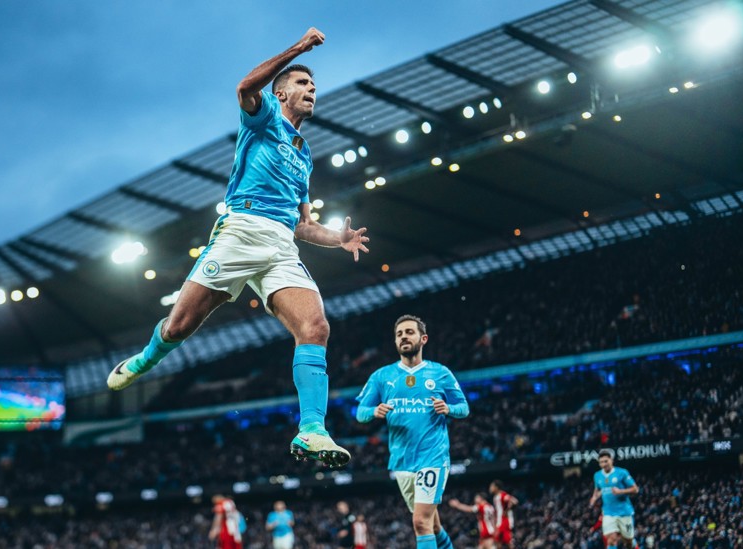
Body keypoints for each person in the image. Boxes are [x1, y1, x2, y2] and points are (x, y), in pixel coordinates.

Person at [106, 26, 369, 468]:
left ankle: (312, 431)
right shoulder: (264, 115)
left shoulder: (304, 155)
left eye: (314, 85)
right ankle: (149, 356)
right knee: (179, 328)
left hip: (282, 245)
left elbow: (304, 226)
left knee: (316, 328)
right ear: (282, 93)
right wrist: (298, 50)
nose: (312, 90)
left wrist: (337, 238)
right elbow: (245, 86)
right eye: (303, 84)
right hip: (241, 231)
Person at [355, 314, 470, 549]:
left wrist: (448, 408)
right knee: (433, 525)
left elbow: (464, 408)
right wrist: (374, 411)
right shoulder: (381, 376)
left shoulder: (440, 373)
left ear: (423, 338)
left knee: (420, 522)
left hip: (432, 456)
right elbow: (360, 412)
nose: (403, 337)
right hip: (401, 461)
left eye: (409, 332)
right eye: (399, 334)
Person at [589, 450, 640, 548]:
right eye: (601, 462)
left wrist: (620, 491)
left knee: (628, 542)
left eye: (606, 461)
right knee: (611, 539)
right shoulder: (597, 475)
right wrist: (594, 498)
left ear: (611, 460)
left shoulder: (622, 472)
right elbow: (598, 489)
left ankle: (632, 543)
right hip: (608, 513)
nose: (603, 464)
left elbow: (635, 489)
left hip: (624, 512)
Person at [489, 480, 519, 548]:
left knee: (507, 541)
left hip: (505, 521)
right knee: (498, 541)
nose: (490, 488)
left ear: (496, 487)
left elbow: (514, 501)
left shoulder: (503, 495)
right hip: (499, 522)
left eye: (491, 486)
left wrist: (508, 510)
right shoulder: (495, 497)